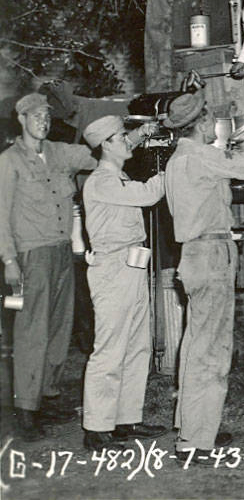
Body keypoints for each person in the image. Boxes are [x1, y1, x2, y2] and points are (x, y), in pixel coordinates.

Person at [162, 91, 244, 463]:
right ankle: (194, 442)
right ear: (201, 124)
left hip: (195, 255)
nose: (214, 127)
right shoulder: (198, 156)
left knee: (196, 346)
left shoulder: (179, 159)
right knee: (211, 352)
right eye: (211, 121)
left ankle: (193, 427)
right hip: (210, 254)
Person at [0, 93, 97, 441]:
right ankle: (25, 409)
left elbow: (94, 155)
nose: (43, 120)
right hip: (29, 257)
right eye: (36, 115)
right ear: (21, 119)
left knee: (59, 328)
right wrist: (9, 261)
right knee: (30, 331)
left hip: (60, 252)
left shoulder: (57, 152)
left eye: (46, 115)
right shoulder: (9, 161)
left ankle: (48, 396)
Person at [80, 115, 166, 452]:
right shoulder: (101, 181)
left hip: (133, 262)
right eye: (120, 138)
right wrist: (168, 170)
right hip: (112, 267)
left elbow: (130, 144)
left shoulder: (118, 173)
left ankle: (126, 418)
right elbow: (147, 195)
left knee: (137, 344)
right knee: (110, 348)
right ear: (106, 145)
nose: (127, 142)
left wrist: (143, 132)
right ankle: (97, 427)